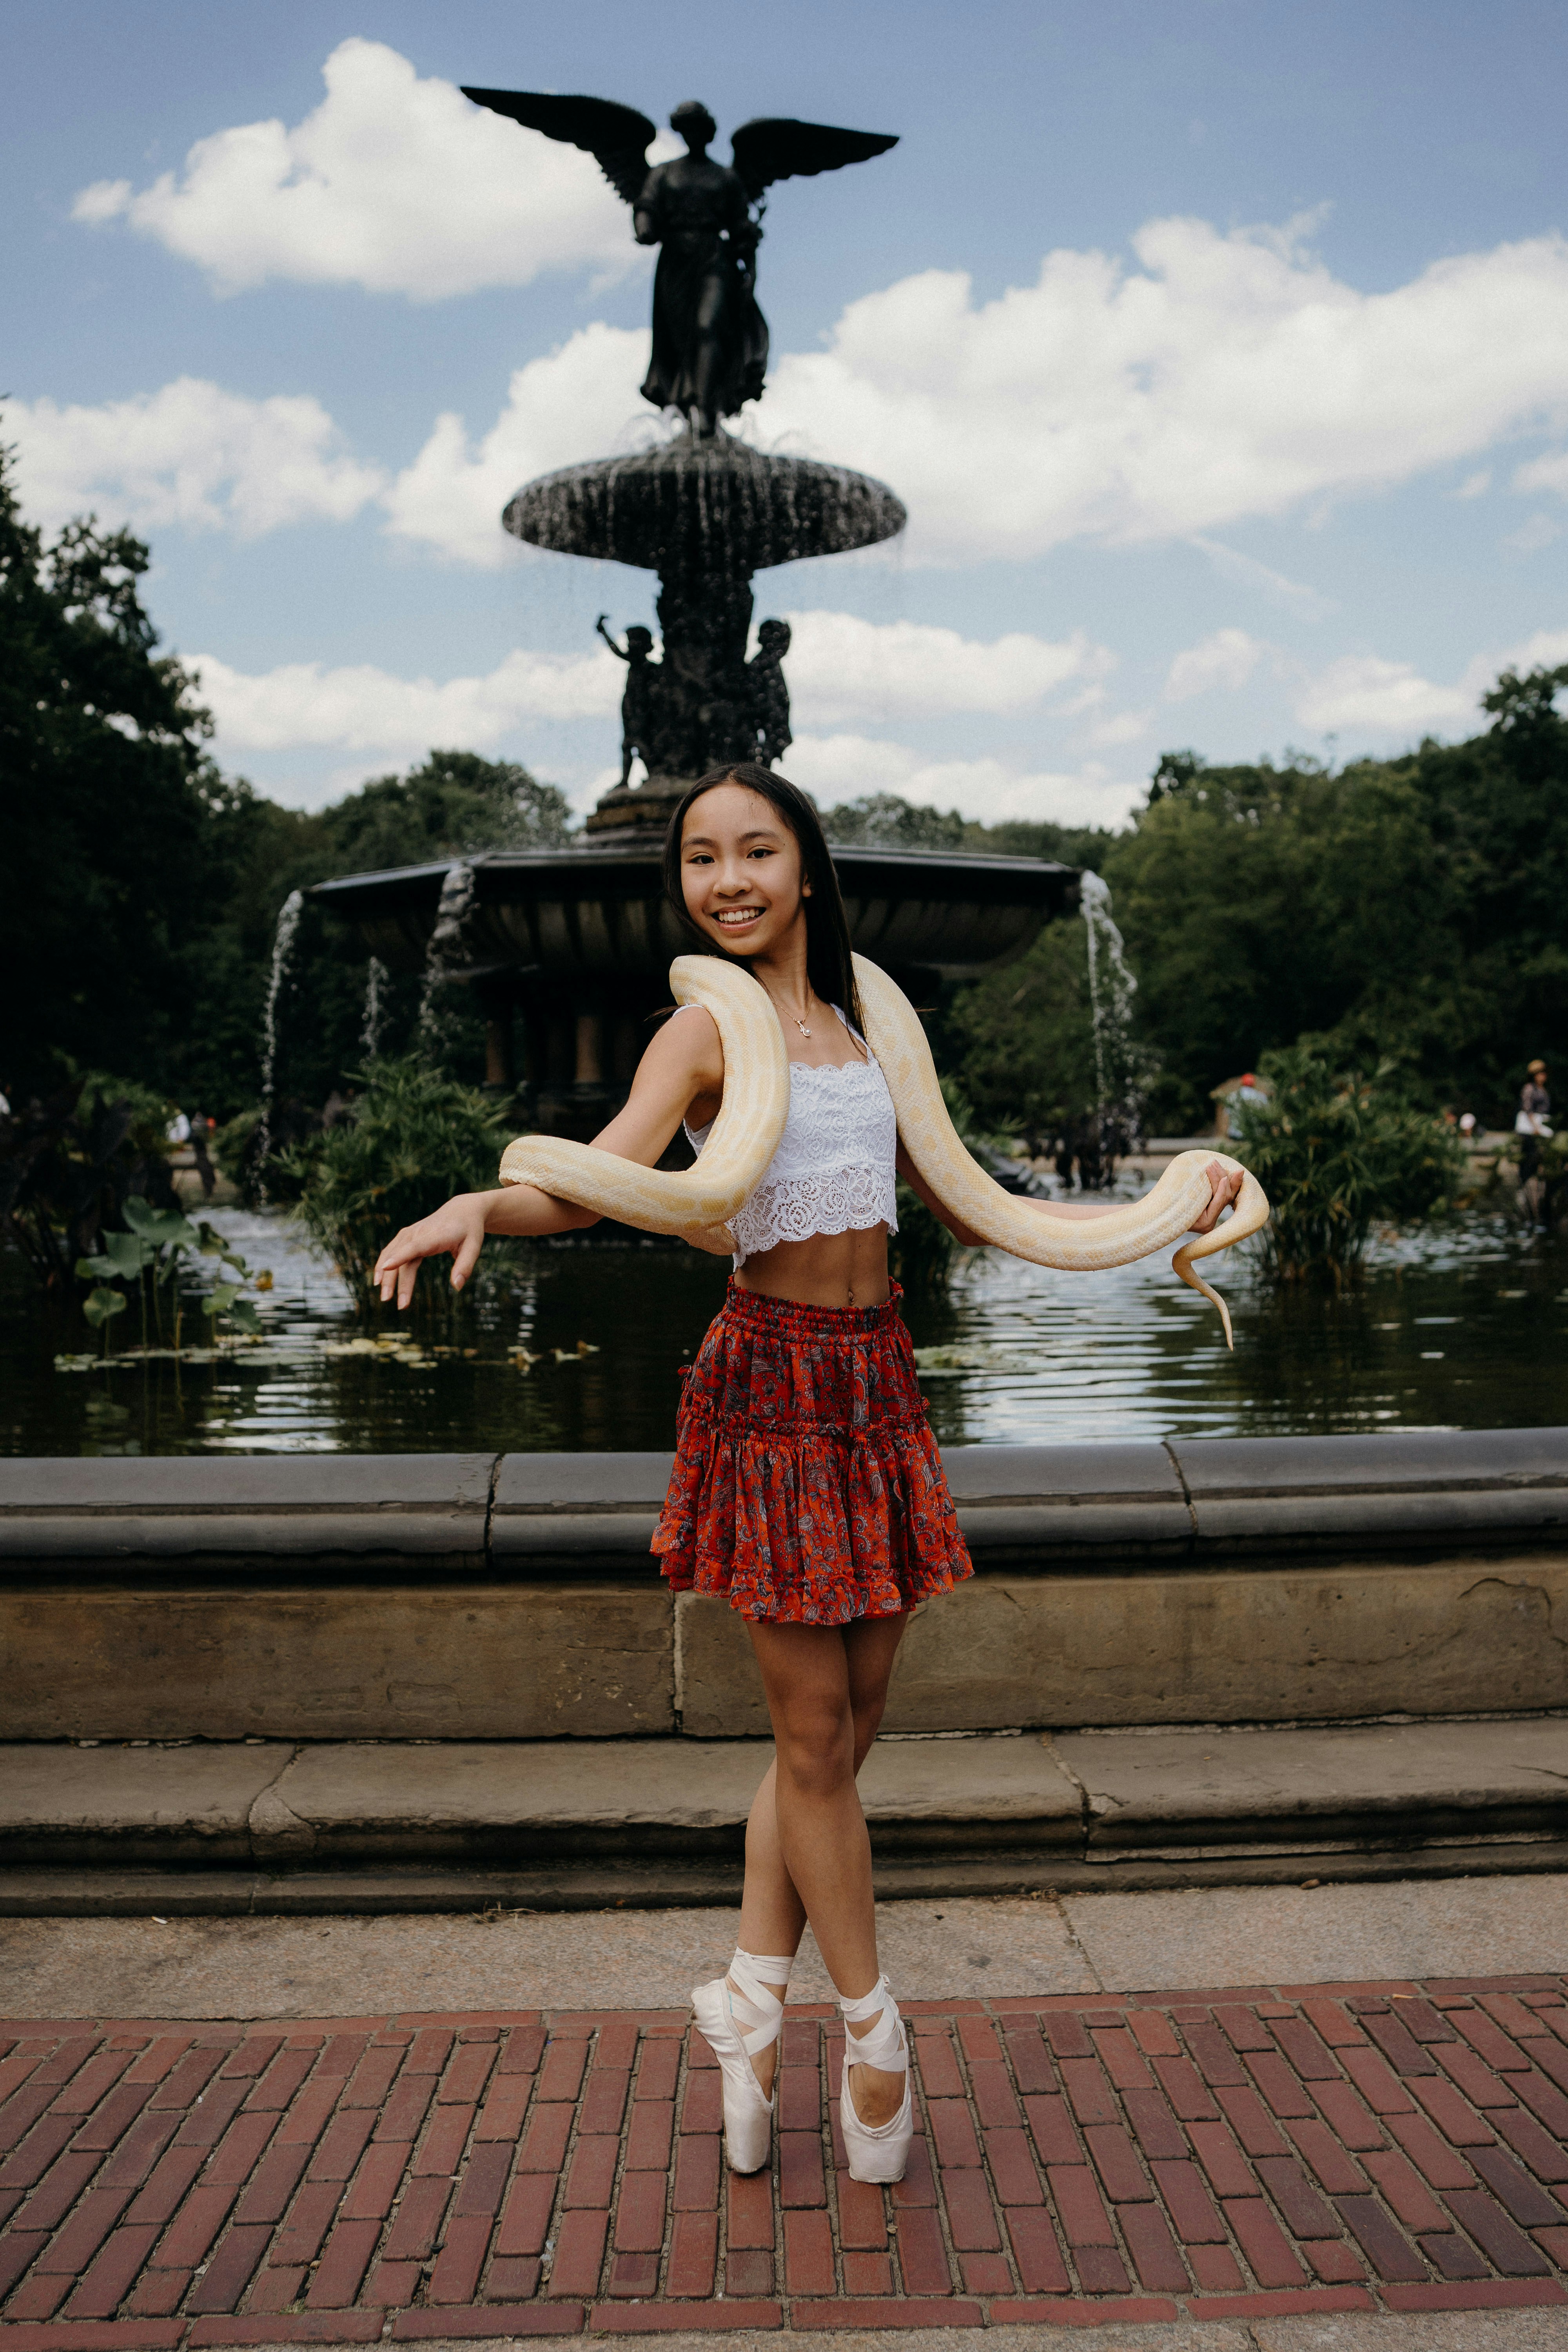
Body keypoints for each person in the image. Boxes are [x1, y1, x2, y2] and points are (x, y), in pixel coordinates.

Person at [371, 762, 1242, 2183]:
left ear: (804, 867)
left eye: (753, 852)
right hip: (767, 1381)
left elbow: (985, 1195)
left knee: (840, 1732)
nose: (726, 880)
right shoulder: (700, 1032)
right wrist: (481, 1198)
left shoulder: (868, 1018)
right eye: (700, 859)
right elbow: (600, 1174)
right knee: (818, 1739)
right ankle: (875, 2024)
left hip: (874, 1379)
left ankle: (743, 2003)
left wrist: (1162, 1210)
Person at [1517, 1058, 1552, 1225]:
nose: (1543, 1076)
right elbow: (1527, 1109)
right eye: (1540, 1073)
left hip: (1541, 1128)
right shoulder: (1530, 1089)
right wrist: (1535, 1127)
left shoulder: (1542, 1090)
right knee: (1529, 1158)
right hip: (1531, 1131)